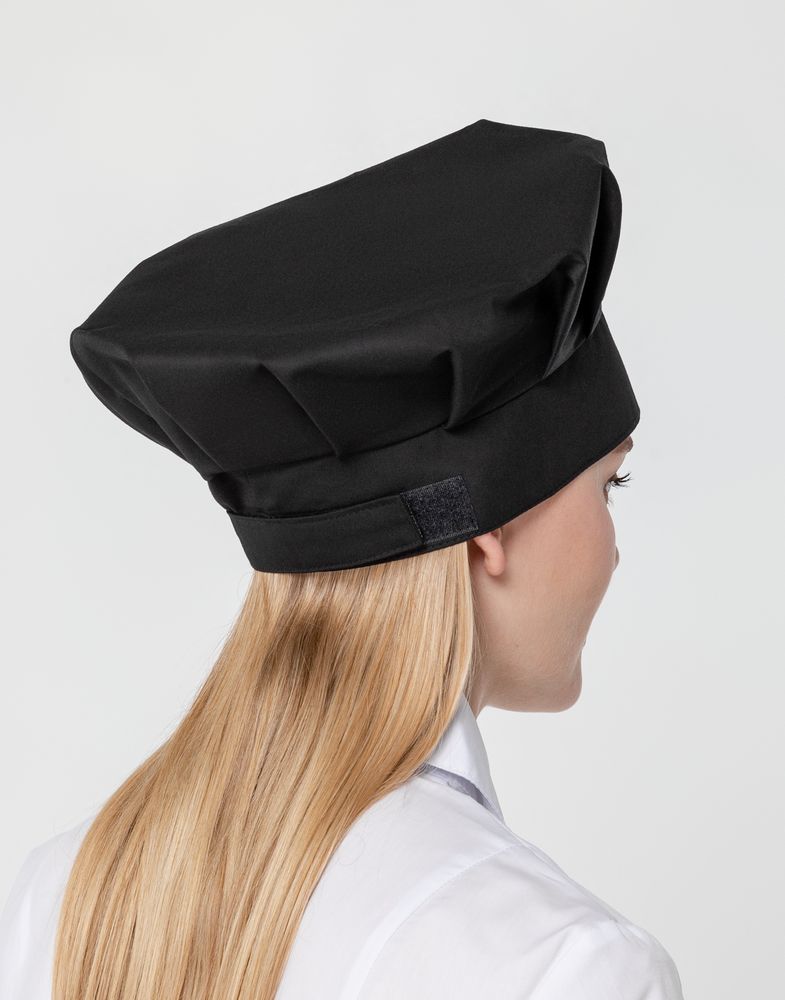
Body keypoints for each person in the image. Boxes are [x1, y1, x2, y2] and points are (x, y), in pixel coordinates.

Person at [0, 119, 686, 998]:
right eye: (607, 486)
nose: (613, 550)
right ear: (489, 523)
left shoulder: (62, 897)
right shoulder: (563, 965)